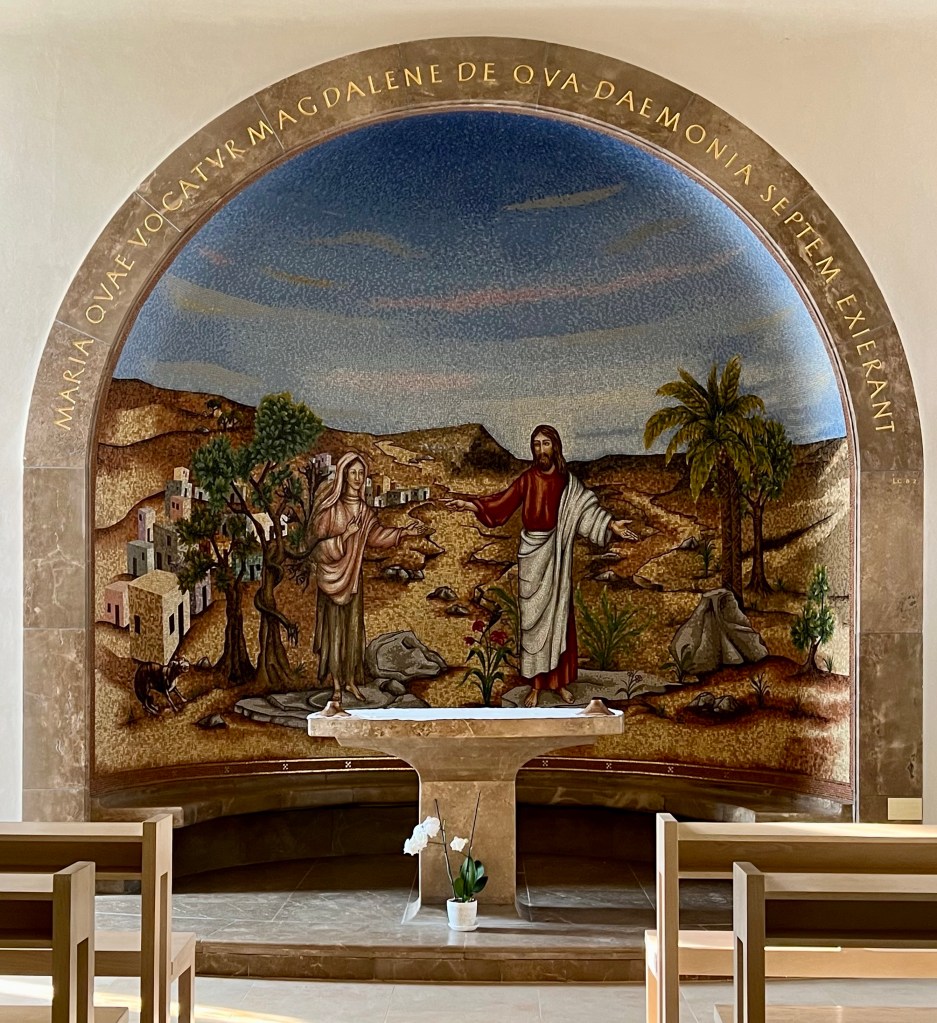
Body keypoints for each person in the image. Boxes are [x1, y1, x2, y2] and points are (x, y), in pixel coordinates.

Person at [446, 425, 637, 707]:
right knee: (532, 624)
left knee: (558, 620)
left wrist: (611, 525)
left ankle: (559, 683)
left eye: (545, 443)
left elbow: (586, 512)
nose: (540, 450)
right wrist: (469, 505)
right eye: (536, 444)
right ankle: (535, 686)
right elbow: (501, 504)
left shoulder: (567, 484)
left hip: (556, 554)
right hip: (531, 553)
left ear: (555, 446)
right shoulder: (527, 479)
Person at [313, 451, 426, 703]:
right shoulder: (331, 510)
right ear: (343, 476)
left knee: (353, 631)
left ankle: (350, 681)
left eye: (361, 473)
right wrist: (344, 536)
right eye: (352, 472)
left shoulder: (364, 511)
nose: (357, 477)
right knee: (335, 634)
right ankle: (336, 685)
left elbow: (376, 535)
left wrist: (404, 533)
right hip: (332, 580)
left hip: (353, 579)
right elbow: (317, 548)